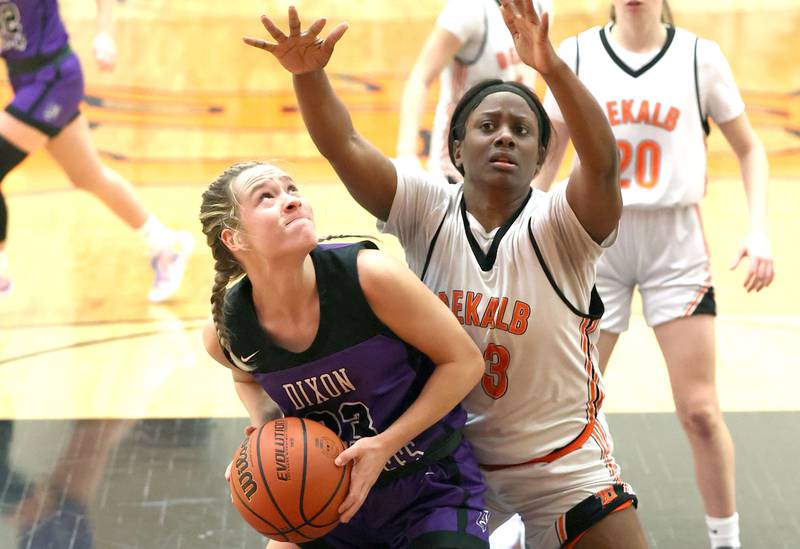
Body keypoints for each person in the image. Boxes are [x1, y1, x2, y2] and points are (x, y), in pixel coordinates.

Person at [244, 2, 649, 547]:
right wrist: (309, 75)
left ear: (539, 158)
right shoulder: (426, 208)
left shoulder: (564, 224)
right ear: (456, 149)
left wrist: (550, 68)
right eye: (488, 125)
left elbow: (601, 165)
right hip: (446, 461)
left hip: (560, 464)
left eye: (522, 130)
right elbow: (345, 144)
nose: (505, 135)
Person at [534, 1, 775, 547]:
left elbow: (751, 149)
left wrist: (758, 228)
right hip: (596, 243)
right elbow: (548, 157)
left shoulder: (699, 57)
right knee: (569, 406)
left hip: (675, 245)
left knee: (700, 413)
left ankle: (725, 539)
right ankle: (540, 528)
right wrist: (525, 227)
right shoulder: (574, 54)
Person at [199, 161, 491, 548]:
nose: (290, 201)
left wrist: (385, 444)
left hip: (427, 484)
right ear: (234, 238)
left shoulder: (369, 277)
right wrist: (264, 434)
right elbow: (244, 376)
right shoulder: (228, 330)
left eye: (291, 189)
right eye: (266, 197)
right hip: (328, 500)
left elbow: (464, 361)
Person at [0, 0, 193, 301]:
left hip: (53, 78)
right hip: (26, 80)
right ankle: (165, 244)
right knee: (88, 176)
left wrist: (105, 34)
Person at [396, 0, 551, 185]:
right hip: (457, 167)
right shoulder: (467, 9)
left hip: (511, 162)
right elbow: (420, 79)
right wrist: (406, 154)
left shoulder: (541, 6)